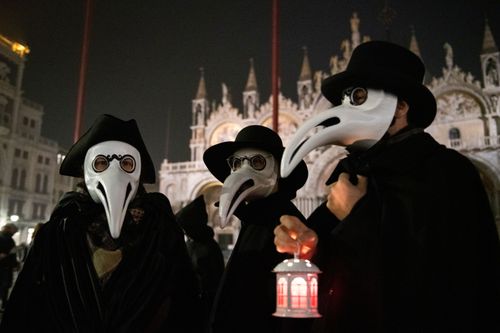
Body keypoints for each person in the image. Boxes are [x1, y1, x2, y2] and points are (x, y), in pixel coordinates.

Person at [275, 41, 500, 332]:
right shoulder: (350, 171)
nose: (346, 109)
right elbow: (330, 263)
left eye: (358, 96)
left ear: (402, 106)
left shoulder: (447, 172)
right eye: (344, 100)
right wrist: (307, 242)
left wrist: (356, 215)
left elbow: (451, 282)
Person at [0, 114, 201, 332]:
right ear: (85, 171)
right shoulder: (57, 232)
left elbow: (185, 304)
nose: (114, 172)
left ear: (138, 172)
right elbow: (25, 306)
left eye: (126, 163)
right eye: (101, 163)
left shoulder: (161, 231)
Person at [203, 125, 311, 333]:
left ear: (278, 170)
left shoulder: (287, 224)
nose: (243, 171)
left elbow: (295, 315)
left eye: (257, 162)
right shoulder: (253, 221)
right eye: (236, 163)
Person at [176, 195, 225, 332]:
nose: (185, 232)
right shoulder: (191, 243)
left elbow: (212, 279)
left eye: (186, 228)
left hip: (203, 305)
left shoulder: (208, 247)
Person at [0, 223, 18, 311]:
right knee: (5, 285)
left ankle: (3, 303)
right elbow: (11, 253)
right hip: (5, 266)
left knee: (4, 285)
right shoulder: (7, 239)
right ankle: (3, 304)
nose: (15, 233)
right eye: (14, 231)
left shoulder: (8, 238)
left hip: (6, 266)